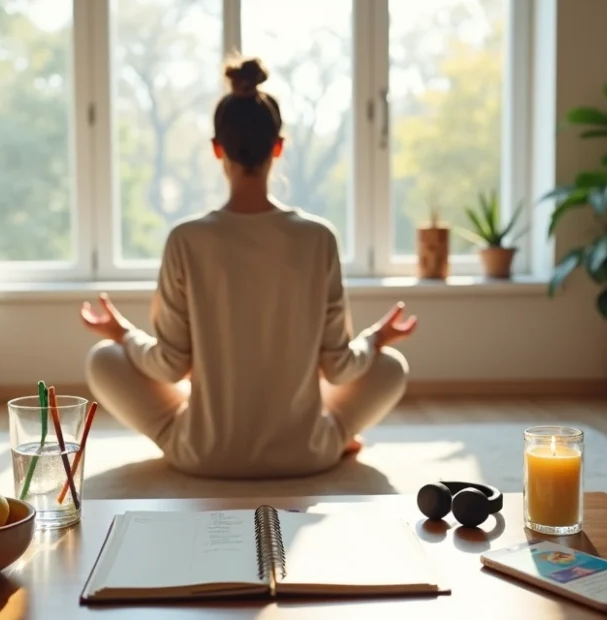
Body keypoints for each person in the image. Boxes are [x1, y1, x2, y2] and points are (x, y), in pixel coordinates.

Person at [82, 57, 417, 480]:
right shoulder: (319, 238)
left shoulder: (186, 239)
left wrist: (120, 333)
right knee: (390, 367)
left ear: (216, 148)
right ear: (279, 146)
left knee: (103, 359)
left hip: (203, 456)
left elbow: (168, 366)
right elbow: (339, 368)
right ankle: (331, 436)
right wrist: (378, 338)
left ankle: (192, 435)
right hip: (307, 455)